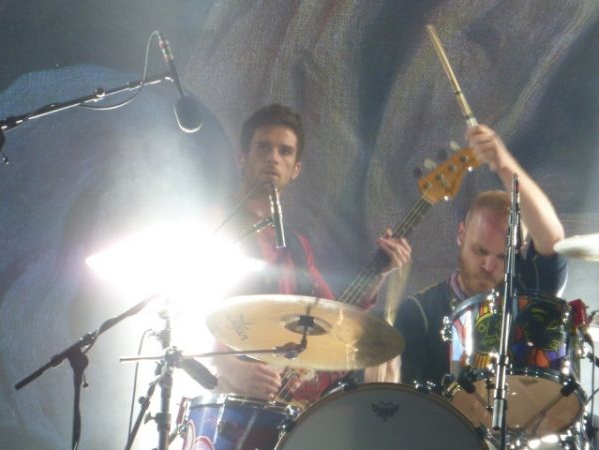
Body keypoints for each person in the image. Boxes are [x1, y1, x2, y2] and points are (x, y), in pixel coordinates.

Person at [211, 103, 412, 404]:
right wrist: (230, 368)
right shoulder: (214, 223)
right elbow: (180, 316)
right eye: (263, 147)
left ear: (296, 169)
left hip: (284, 407)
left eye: (285, 151)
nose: (273, 158)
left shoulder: (296, 244)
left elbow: (334, 315)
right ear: (243, 158)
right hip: (223, 399)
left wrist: (379, 272)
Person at [394, 124, 567, 388]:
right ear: (461, 234)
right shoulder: (419, 312)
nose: (488, 265)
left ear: (518, 251)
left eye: (503, 257)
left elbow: (553, 240)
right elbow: (407, 403)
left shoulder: (527, 290)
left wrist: (503, 164)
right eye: (480, 250)